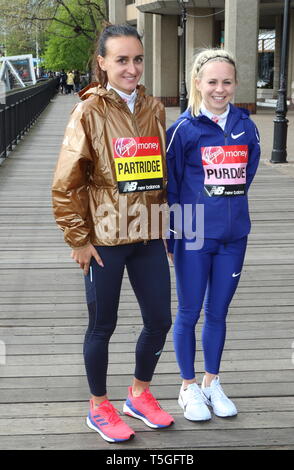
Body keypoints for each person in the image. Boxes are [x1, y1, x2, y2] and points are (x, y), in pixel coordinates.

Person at [52, 24, 174, 443]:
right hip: (104, 239)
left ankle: (139, 394)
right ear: (102, 63)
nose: (132, 68)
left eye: (137, 59)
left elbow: (158, 176)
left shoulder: (154, 108)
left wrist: (164, 228)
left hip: (147, 235)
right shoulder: (87, 111)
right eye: (121, 59)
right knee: (102, 325)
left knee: (160, 320)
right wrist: (78, 239)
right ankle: (98, 405)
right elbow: (65, 184)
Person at [166, 49, 260, 422]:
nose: (219, 89)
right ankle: (188, 386)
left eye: (226, 82)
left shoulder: (247, 125)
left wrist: (227, 211)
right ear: (198, 84)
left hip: (233, 236)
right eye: (212, 82)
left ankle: (211, 382)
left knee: (218, 312)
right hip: (192, 233)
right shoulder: (182, 130)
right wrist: (173, 236)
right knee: (189, 312)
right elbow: (170, 186)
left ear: (235, 84)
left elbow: (247, 174)